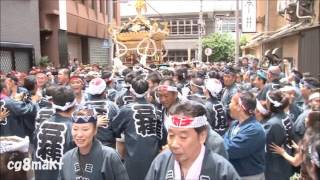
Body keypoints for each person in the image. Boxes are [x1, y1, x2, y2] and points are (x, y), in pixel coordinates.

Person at [145, 101, 240, 180]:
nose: (174, 144)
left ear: (202, 136)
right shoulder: (161, 162)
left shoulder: (222, 169)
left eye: (183, 137)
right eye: (171, 135)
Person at [111, 77, 164, 180]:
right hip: (153, 159)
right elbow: (162, 136)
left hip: (132, 160)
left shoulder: (126, 110)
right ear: (148, 91)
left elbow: (114, 129)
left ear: (131, 92)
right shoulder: (157, 111)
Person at [59, 107, 129, 180]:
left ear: (95, 130)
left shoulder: (109, 156)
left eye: (85, 129)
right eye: (75, 129)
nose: (79, 134)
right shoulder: (66, 158)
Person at [224, 91, 266, 179]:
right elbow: (224, 141)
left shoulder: (254, 130)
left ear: (239, 107)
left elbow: (230, 150)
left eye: (231, 102)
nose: (229, 105)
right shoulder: (235, 124)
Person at [263, 90, 294, 180]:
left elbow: (264, 146)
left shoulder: (272, 124)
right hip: (285, 164)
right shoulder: (286, 117)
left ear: (269, 103)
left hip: (274, 168)